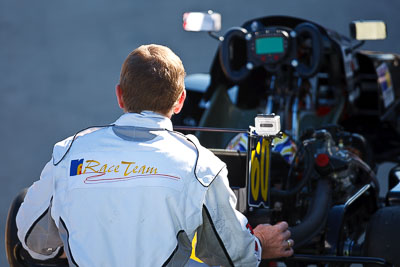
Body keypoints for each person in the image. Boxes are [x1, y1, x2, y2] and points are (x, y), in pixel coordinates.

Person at [16, 44, 294, 266]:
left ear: (120, 96)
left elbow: (32, 242)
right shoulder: (200, 165)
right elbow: (233, 257)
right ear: (181, 100)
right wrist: (262, 245)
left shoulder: (68, 153)